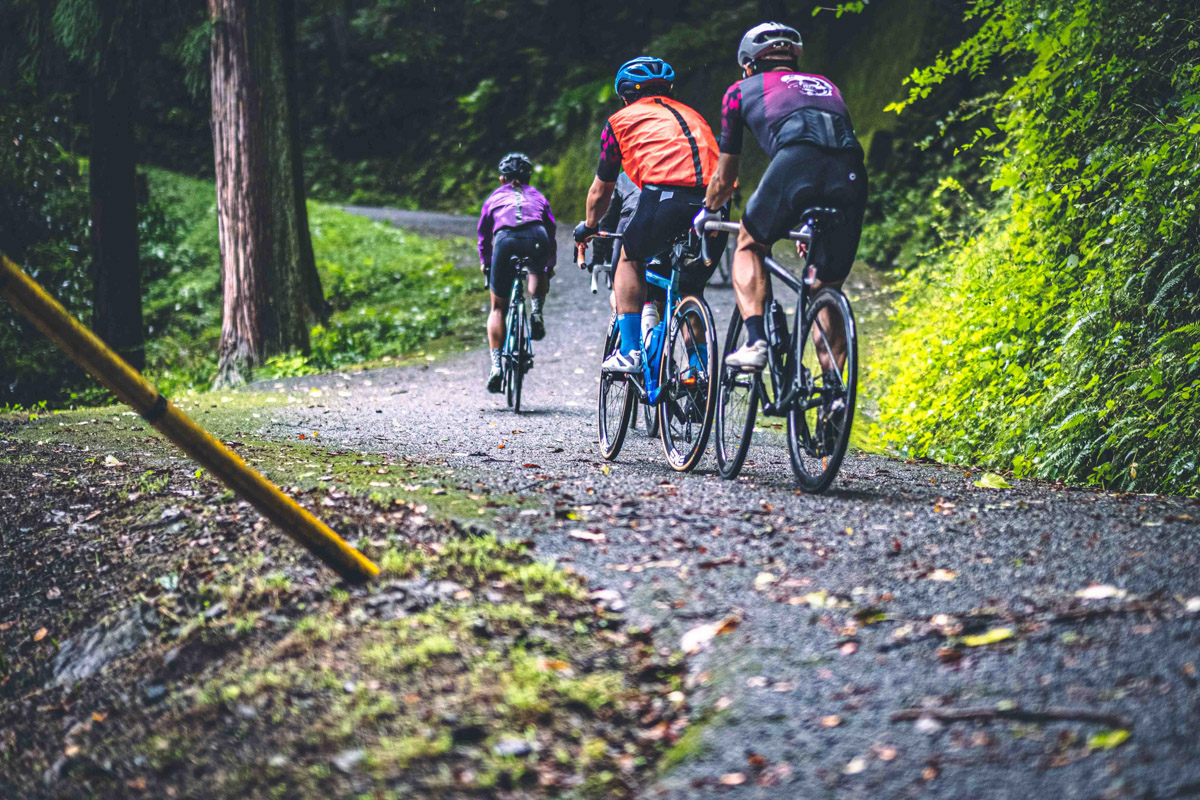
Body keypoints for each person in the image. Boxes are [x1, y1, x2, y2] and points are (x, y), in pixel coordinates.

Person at [694, 21, 867, 373]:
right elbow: (828, 147)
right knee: (825, 289)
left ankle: (756, 341)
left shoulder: (740, 90)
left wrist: (708, 210)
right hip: (851, 175)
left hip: (795, 164)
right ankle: (833, 398)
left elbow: (725, 178)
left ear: (748, 64)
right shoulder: (826, 86)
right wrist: (808, 218)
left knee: (748, 244)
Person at [573, 56, 727, 373]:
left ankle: (630, 351)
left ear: (626, 95)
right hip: (715, 205)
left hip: (666, 197)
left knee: (630, 258)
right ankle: (700, 374)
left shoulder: (620, 121)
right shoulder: (693, 115)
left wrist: (588, 228)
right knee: (689, 289)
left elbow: (602, 191)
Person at [477, 152, 557, 393]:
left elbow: (484, 235)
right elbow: (551, 231)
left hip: (505, 240)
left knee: (498, 308)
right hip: (537, 236)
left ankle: (496, 367)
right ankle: (537, 312)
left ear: (502, 179)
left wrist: (486, 262)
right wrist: (548, 265)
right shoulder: (538, 196)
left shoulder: (494, 197)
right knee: (538, 270)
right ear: (528, 177)